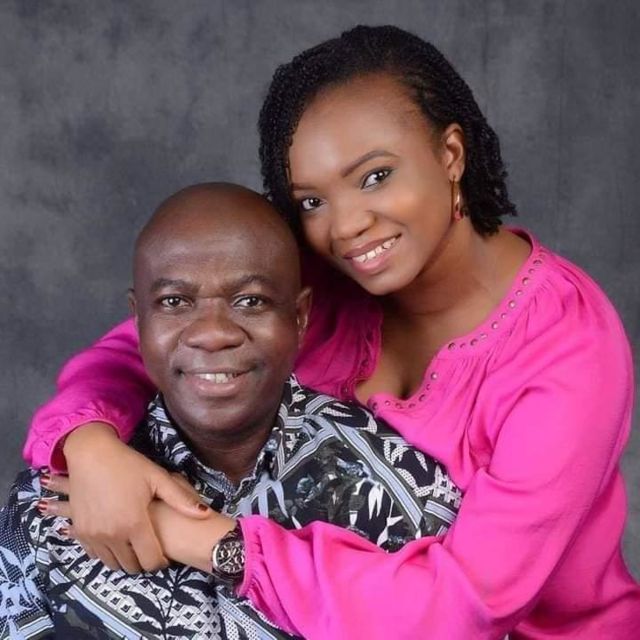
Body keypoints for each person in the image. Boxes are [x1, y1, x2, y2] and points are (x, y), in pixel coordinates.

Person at [22, 24, 640, 639]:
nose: (345, 227)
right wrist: (91, 446)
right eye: (312, 202)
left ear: (451, 154)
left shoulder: (568, 350)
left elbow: (462, 607)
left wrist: (196, 537)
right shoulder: (316, 283)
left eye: (375, 177)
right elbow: (143, 349)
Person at [1, 182, 461, 639]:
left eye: (250, 301)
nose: (213, 334)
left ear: (299, 317)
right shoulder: (50, 508)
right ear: (139, 320)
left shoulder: (407, 492)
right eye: (175, 302)